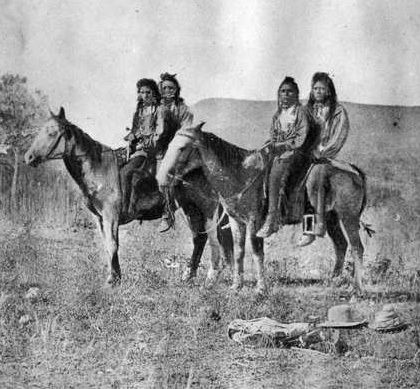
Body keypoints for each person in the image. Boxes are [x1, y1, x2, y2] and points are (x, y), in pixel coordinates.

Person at [297, 72, 350, 247]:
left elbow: (339, 136)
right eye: (315, 88)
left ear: (329, 91)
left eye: (322, 88)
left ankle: (314, 226)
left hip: (326, 157)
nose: (318, 91)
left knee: (315, 176)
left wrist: (322, 152)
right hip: (306, 155)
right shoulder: (307, 110)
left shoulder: (338, 111)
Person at [256, 77, 311, 238]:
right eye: (282, 91)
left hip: (296, 152)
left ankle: (272, 220)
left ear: (296, 94)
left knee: (276, 173)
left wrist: (283, 145)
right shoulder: (277, 114)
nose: (285, 95)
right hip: (279, 152)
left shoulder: (300, 112)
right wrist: (271, 144)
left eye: (289, 91)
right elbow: (273, 135)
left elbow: (301, 137)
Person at [155, 72, 194, 232]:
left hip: (174, 149)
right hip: (156, 147)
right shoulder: (156, 107)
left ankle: (168, 213)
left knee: (163, 177)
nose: (167, 91)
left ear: (177, 90)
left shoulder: (184, 110)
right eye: (164, 88)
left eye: (171, 88)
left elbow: (185, 132)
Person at [121, 78, 161, 218]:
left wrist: (146, 140)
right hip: (138, 148)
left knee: (126, 172)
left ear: (154, 93)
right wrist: (131, 137)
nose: (145, 95)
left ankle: (126, 209)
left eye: (148, 92)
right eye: (142, 92)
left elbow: (160, 131)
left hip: (151, 149)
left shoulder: (159, 111)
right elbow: (135, 130)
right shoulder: (138, 113)